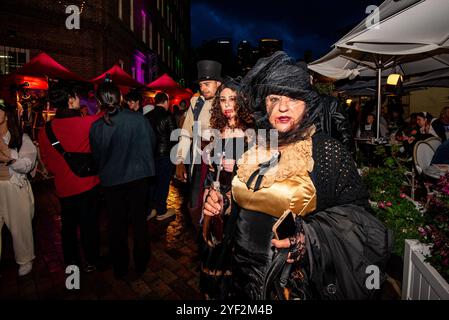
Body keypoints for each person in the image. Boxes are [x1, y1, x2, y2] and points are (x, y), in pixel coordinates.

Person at [203, 52, 392, 300]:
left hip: (291, 282)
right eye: (275, 98)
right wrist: (224, 204)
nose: (283, 106)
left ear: (307, 104)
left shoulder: (326, 150)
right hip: (242, 276)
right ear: (265, 104)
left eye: (294, 98)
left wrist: (309, 239)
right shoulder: (254, 147)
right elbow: (248, 200)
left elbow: (363, 223)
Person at [89, 81, 156, 279]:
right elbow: (151, 144)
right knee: (139, 222)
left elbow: (97, 157)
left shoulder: (97, 127)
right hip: (138, 178)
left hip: (112, 180)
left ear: (99, 102)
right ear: (119, 98)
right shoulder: (138, 119)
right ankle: (141, 263)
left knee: (116, 226)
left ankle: (120, 267)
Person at [199, 78, 253, 299]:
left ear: (242, 101)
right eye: (223, 100)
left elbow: (258, 180)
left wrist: (239, 166)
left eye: (232, 99)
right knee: (213, 250)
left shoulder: (251, 133)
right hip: (217, 202)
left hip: (241, 206)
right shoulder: (218, 132)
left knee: (234, 258)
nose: (227, 105)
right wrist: (207, 192)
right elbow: (212, 173)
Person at [38, 84, 101, 272]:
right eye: (76, 95)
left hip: (64, 187)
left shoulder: (45, 130)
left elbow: (46, 161)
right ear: (71, 99)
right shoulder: (88, 123)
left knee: (68, 228)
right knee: (89, 225)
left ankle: (72, 264)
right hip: (88, 184)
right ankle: (92, 261)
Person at [175, 60, 222, 230]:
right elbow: (186, 132)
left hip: (220, 164)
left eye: (207, 84)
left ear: (219, 83)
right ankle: (201, 238)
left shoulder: (226, 102)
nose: (203, 88)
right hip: (198, 160)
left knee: (217, 206)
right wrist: (180, 160)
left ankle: (214, 243)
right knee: (195, 202)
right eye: (201, 84)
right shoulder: (196, 103)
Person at [0, 101, 37, 276]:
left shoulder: (21, 138)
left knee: (19, 226)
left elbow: (27, 164)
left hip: (14, 187)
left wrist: (8, 156)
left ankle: (25, 259)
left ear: (6, 114)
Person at [146, 92, 177, 221]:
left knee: (152, 183)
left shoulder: (147, 116)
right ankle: (161, 211)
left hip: (150, 155)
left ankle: (150, 209)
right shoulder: (168, 115)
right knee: (163, 183)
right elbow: (174, 137)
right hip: (165, 155)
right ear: (166, 102)